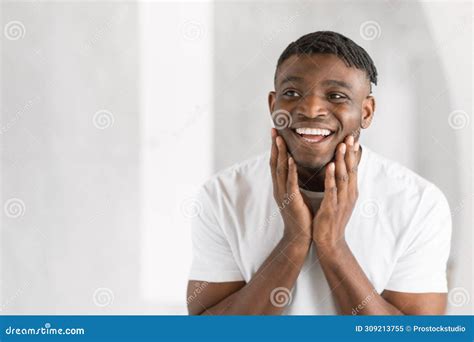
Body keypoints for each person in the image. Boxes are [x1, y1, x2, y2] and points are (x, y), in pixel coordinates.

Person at [187, 31, 452, 315]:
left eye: (336, 96)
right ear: (272, 105)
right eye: (292, 93)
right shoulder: (222, 195)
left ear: (367, 112)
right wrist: (294, 241)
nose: (311, 109)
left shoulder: (419, 203)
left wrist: (332, 245)